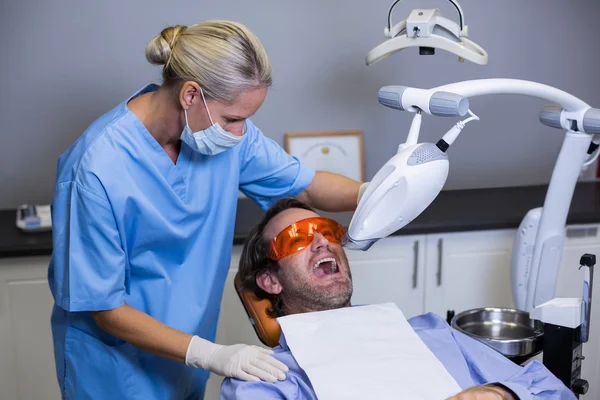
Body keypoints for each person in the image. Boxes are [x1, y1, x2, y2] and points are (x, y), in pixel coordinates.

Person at [48, 21, 363, 399]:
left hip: (186, 365)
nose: (240, 133)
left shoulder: (224, 137)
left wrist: (380, 193)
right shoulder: (95, 169)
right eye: (232, 118)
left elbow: (308, 185)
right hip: (115, 370)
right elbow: (104, 307)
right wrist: (208, 354)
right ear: (190, 95)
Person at [221, 198, 575, 400]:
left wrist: (500, 395)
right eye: (297, 238)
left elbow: (551, 391)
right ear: (270, 280)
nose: (322, 243)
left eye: (328, 231)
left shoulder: (431, 332)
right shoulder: (266, 378)